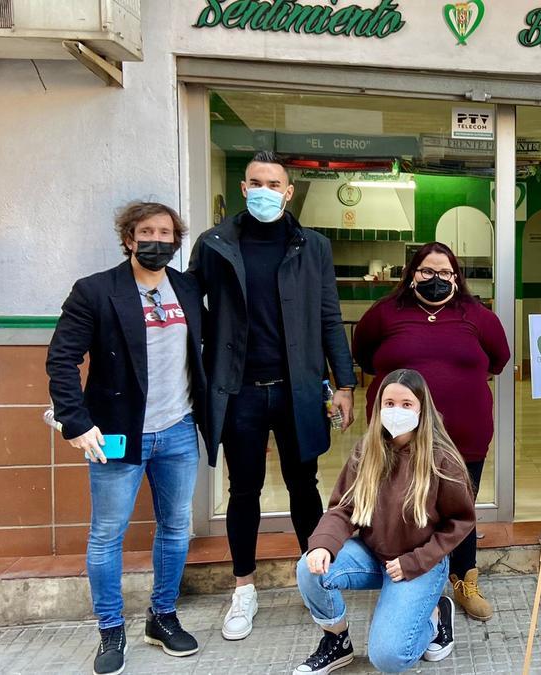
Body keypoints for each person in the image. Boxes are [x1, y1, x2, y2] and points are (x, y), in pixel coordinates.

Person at [188, 150, 357, 641]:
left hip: (296, 390)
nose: (265, 190)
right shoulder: (215, 244)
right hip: (238, 391)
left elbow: (329, 316)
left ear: (289, 191)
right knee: (244, 491)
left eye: (274, 183)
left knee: (305, 488)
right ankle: (244, 588)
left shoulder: (313, 246)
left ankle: (316, 579)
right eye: (255, 182)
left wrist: (343, 384)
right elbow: (192, 311)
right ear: (244, 189)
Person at [46, 201, 207, 675]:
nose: (157, 240)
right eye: (146, 231)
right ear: (129, 238)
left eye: (166, 232)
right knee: (106, 535)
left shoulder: (188, 287)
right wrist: (75, 422)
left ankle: (162, 616)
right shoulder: (95, 291)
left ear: (176, 242)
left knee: (176, 528)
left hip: (178, 429)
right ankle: (110, 628)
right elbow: (62, 359)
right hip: (116, 433)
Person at [352, 242, 510, 622]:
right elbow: (363, 355)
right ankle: (401, 575)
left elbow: (499, 359)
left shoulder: (478, 316)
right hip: (398, 434)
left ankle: (463, 578)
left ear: (456, 277)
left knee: (459, 507)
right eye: (426, 271)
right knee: (398, 504)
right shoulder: (385, 314)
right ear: (411, 274)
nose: (435, 279)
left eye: (444, 272)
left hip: (464, 435)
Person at [292, 369, 475, 674]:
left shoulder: (442, 459)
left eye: (406, 404)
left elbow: (460, 521)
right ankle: (337, 641)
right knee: (308, 568)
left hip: (420, 563)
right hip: (373, 555)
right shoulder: (367, 451)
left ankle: (436, 617)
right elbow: (342, 508)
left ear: (421, 408)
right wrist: (323, 545)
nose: (396, 411)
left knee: (389, 658)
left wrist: (415, 562)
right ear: (378, 408)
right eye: (389, 403)